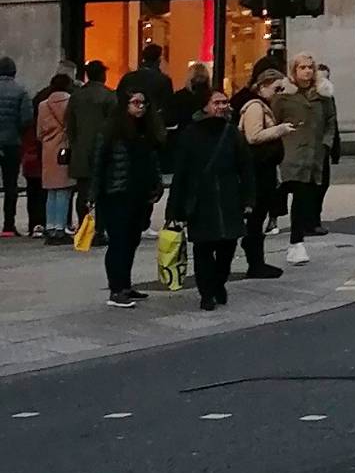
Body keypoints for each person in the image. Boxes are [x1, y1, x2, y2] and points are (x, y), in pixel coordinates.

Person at [166, 88, 253, 311]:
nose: (222, 107)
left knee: (228, 247)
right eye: (217, 102)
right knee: (203, 249)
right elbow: (181, 173)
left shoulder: (232, 132)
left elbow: (245, 168)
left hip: (228, 197)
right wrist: (174, 210)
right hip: (200, 200)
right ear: (205, 106)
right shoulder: (191, 134)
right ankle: (206, 292)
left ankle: (219, 282)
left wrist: (248, 199)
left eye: (224, 102)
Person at [91, 91, 164, 307]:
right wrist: (93, 194)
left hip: (139, 193)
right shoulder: (111, 130)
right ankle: (116, 289)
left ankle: (126, 284)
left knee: (132, 240)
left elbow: (153, 159)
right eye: (135, 103)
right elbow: (98, 163)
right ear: (125, 105)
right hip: (117, 192)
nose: (140, 107)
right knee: (119, 241)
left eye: (144, 103)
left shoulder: (146, 130)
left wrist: (157, 183)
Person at [274, 54, 334, 266]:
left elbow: (330, 121)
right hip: (288, 154)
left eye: (310, 67)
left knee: (303, 199)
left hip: (313, 156)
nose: (307, 71)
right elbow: (273, 120)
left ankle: (296, 243)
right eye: (302, 67)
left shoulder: (323, 95)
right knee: (277, 196)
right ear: (294, 71)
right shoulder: (283, 96)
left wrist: (326, 144)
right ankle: (269, 227)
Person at [236, 68, 295, 279]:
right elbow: (253, 136)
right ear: (262, 86)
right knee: (255, 216)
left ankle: (257, 260)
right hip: (257, 170)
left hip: (264, 169)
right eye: (276, 88)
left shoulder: (261, 105)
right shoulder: (254, 107)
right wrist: (280, 130)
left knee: (258, 217)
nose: (279, 92)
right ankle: (255, 262)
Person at [67, 60, 117, 234]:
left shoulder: (76, 97)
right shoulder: (109, 96)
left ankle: (83, 228)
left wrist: (75, 144)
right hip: (104, 150)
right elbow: (115, 125)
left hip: (81, 149)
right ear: (102, 75)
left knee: (82, 191)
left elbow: (70, 126)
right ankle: (100, 229)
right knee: (103, 193)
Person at [34, 73, 74, 243]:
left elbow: (39, 132)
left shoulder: (43, 105)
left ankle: (50, 226)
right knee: (64, 190)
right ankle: (60, 227)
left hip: (48, 150)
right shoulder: (71, 102)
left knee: (51, 190)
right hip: (64, 149)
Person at [119, 42, 174, 145]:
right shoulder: (163, 80)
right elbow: (167, 107)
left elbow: (119, 100)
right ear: (158, 60)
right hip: (152, 128)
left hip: (128, 126)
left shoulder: (128, 78)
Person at [0, 56, 31, 237]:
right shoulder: (21, 91)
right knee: (11, 184)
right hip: (12, 142)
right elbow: (27, 118)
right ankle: (8, 225)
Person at [313, 63, 341, 234]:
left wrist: (332, 148)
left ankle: (315, 218)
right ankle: (310, 221)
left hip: (323, 147)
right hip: (309, 147)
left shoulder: (328, 96)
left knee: (322, 184)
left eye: (327, 77)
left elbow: (332, 124)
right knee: (311, 186)